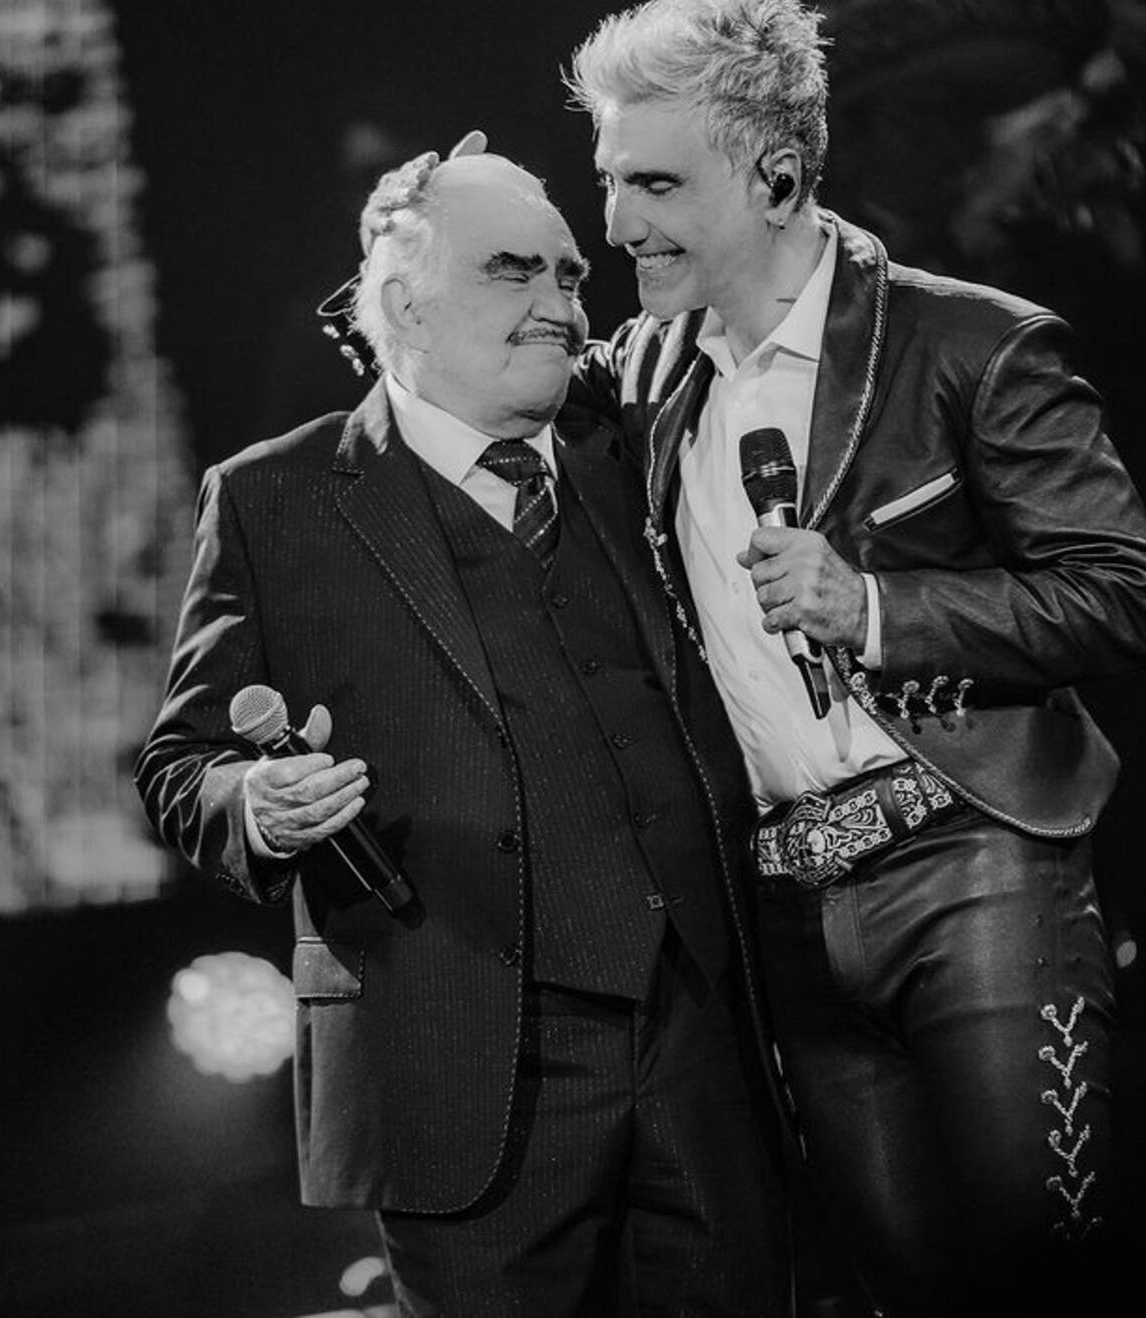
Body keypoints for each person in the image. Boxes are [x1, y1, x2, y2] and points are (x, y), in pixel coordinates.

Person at [553, 0, 1146, 1317]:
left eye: (656, 184)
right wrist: (412, 257)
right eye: (610, 182)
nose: (618, 223)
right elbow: (485, 379)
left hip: (974, 867)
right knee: (902, 1289)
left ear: (774, 178)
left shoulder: (968, 343)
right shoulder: (642, 374)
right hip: (784, 911)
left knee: (1042, 1272)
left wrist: (874, 609)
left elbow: (1120, 589)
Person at [134, 144, 791, 1317]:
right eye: (511, 270)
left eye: (568, 274)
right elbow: (183, 767)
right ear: (402, 307)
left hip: (700, 1044)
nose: (560, 305)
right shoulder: (277, 498)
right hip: (457, 1054)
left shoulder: (631, 444)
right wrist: (256, 804)